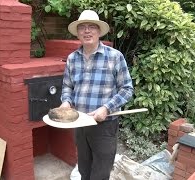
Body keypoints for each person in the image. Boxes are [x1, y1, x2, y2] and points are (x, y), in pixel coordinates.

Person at [59, 10, 134, 180]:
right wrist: (66, 102)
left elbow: (127, 89)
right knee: (84, 170)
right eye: (82, 27)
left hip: (104, 126)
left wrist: (106, 108)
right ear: (77, 33)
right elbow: (67, 86)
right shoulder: (72, 58)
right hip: (79, 123)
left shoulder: (115, 57)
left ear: (99, 31)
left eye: (91, 27)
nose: (87, 31)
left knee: (100, 174)